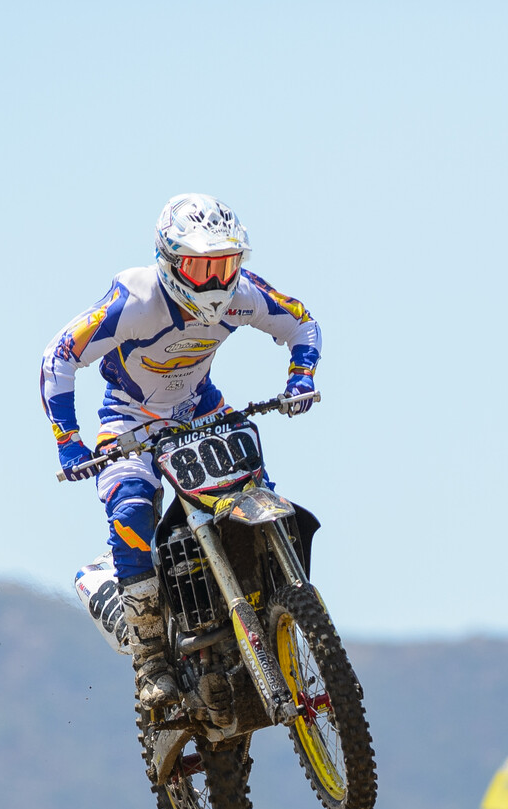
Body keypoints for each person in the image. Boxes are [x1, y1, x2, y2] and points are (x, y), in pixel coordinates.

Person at [44, 194, 320, 710]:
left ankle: (277, 599)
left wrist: (301, 375)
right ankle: (150, 659)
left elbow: (301, 321)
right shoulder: (135, 300)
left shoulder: (245, 294)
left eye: (225, 265)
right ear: (170, 262)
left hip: (201, 408)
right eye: (200, 267)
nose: (215, 282)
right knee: (131, 511)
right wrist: (68, 440)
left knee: (256, 491)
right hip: (130, 418)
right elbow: (59, 354)